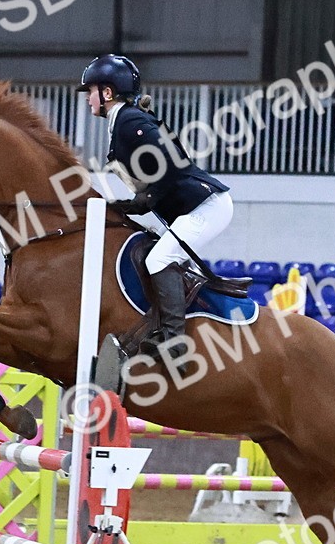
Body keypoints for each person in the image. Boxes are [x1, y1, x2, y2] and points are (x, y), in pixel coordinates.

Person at [78, 53, 233, 368]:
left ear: (107, 93)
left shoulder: (129, 120)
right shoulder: (123, 120)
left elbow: (171, 159)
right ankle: (157, 327)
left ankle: (175, 342)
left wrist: (145, 200)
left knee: (159, 259)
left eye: (91, 91)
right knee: (151, 252)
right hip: (191, 208)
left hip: (206, 206)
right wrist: (132, 204)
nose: (88, 98)